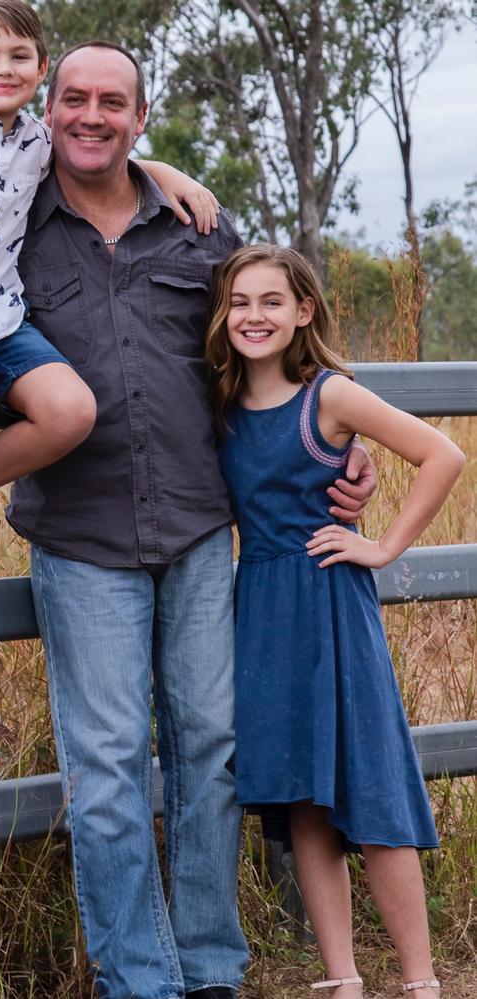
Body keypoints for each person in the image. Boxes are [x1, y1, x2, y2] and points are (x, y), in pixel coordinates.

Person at [0, 41, 376, 999]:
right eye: (76, 100)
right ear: (49, 108)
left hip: (196, 526)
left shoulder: (196, 229)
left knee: (212, 753)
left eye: (115, 103)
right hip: (82, 535)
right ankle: (140, 980)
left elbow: (271, 347)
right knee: (105, 772)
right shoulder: (7, 218)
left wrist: (344, 442)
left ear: (141, 115)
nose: (92, 116)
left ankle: (212, 969)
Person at [0, 0, 218, 596]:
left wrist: (167, 173)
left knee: (72, 410)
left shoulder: (32, 137)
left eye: (20, 56)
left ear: (40, 67)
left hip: (1, 313)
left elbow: (101, 156)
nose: (4, 68)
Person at [209, 245, 465, 999]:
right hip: (258, 608)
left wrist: (381, 545)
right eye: (240, 302)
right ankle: (342, 978)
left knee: (371, 787)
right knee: (302, 796)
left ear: (303, 311)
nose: (254, 316)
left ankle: (420, 981)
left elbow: (442, 453)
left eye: (271, 302)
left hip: (329, 599)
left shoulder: (330, 396)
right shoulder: (219, 406)